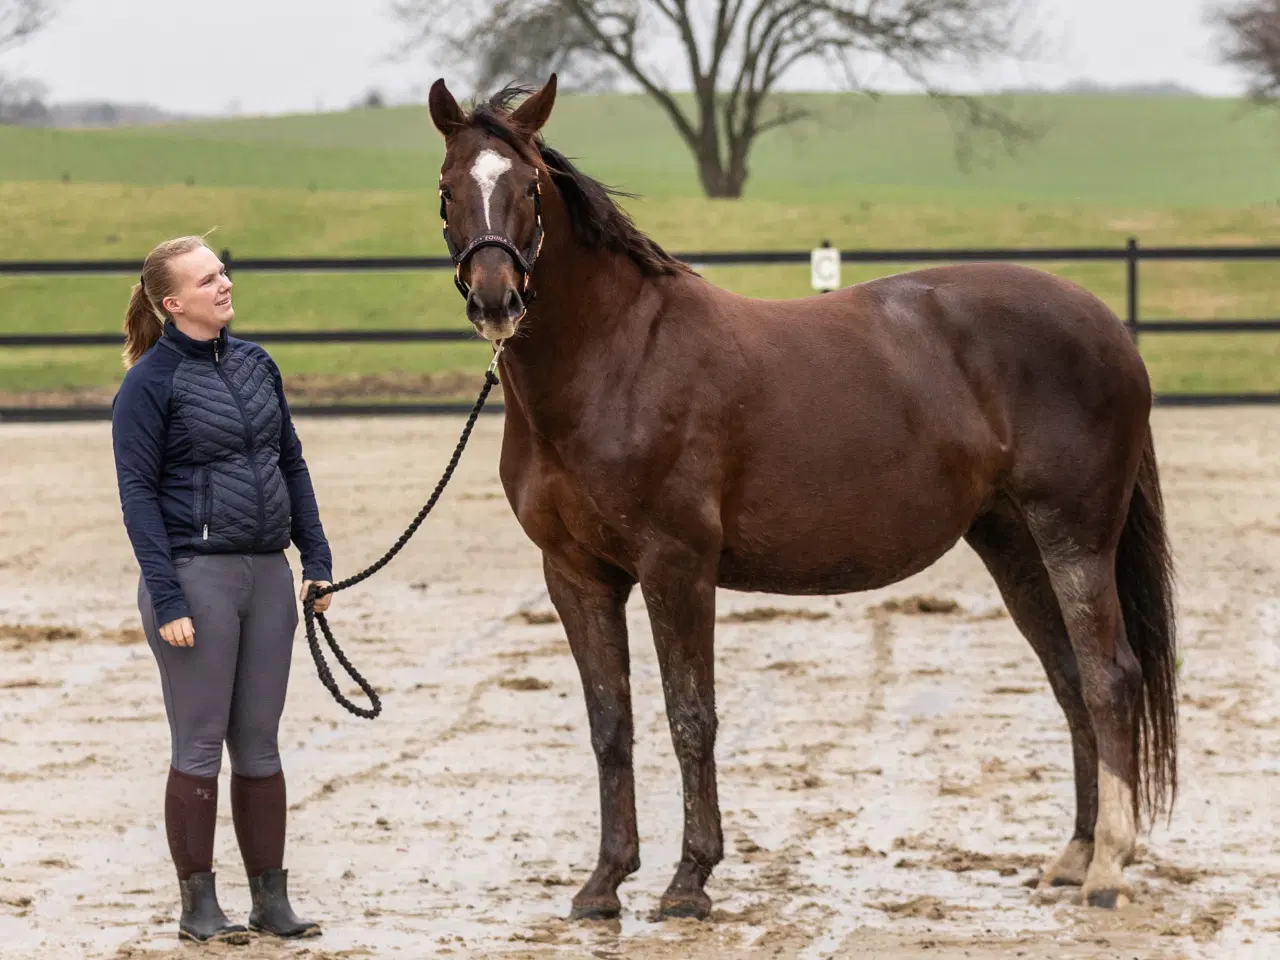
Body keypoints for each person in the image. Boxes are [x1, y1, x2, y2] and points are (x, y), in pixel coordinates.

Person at [110, 235, 334, 943]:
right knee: (200, 745)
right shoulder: (148, 385)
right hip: (194, 578)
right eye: (207, 279)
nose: (224, 284)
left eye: (222, 272)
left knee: (261, 746)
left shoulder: (256, 364)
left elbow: (290, 462)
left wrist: (316, 556)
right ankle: (199, 907)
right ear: (173, 303)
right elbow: (138, 497)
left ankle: (271, 901)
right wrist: (168, 598)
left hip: (268, 576)